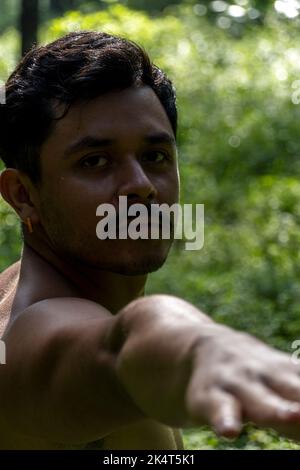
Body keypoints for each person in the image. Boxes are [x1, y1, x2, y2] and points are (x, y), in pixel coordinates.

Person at [0, 31, 300, 450]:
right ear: (23, 195)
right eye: (95, 161)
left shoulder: (17, 287)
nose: (140, 186)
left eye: (154, 156)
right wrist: (201, 345)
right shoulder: (29, 341)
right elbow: (121, 352)